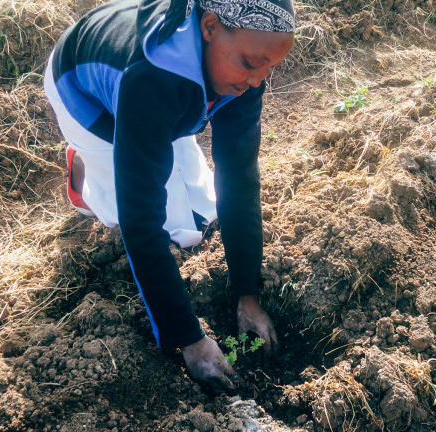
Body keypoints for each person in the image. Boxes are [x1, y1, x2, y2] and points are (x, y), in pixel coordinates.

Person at [43, 0, 295, 393]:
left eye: (270, 67)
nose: (259, 80)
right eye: (251, 64)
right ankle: (87, 182)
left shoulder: (244, 62)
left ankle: (157, 142)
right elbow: (141, 221)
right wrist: (188, 338)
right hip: (88, 96)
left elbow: (239, 178)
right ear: (209, 26)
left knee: (206, 209)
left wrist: (248, 294)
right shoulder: (149, 77)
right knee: (177, 230)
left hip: (173, 94)